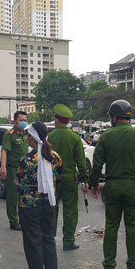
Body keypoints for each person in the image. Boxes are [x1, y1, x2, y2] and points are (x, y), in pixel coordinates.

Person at [90, 100, 135, 269]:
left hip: (112, 186)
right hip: (133, 186)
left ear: (114, 117)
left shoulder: (105, 136)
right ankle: (133, 265)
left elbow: (97, 164)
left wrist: (94, 184)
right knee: (132, 227)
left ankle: (109, 265)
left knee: (111, 226)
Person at [16, 121, 62, 269]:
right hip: (49, 203)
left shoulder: (26, 160)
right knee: (48, 238)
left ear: (33, 137)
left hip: (29, 206)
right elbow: (58, 179)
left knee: (33, 241)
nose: (27, 139)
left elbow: (19, 184)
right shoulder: (55, 157)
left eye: (29, 135)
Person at [48, 104, 88, 251]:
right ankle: (69, 241)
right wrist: (85, 179)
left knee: (52, 209)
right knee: (70, 211)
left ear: (57, 120)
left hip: (53, 179)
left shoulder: (50, 137)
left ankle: (50, 239)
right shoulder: (75, 137)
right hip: (70, 178)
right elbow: (81, 162)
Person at [0, 111, 28, 231]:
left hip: (24, 170)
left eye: (25, 120)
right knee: (13, 195)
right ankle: (13, 221)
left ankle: (22, 219)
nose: (24, 122)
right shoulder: (9, 134)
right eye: (21, 120)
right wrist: (3, 166)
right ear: (15, 121)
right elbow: (4, 151)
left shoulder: (24, 134)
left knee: (23, 195)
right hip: (13, 169)